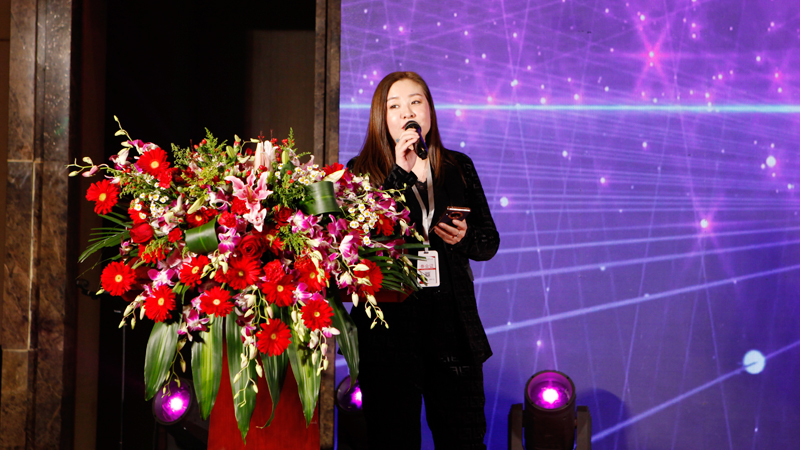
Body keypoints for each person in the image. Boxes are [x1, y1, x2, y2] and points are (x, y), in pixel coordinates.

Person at [348, 71, 500, 450]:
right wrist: (399, 173)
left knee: (464, 440)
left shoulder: (457, 166)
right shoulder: (360, 171)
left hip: (452, 326)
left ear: (429, 111)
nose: (407, 112)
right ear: (381, 117)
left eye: (416, 102)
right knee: (392, 439)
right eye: (395, 106)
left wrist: (465, 238)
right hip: (389, 331)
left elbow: (488, 242)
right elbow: (362, 241)